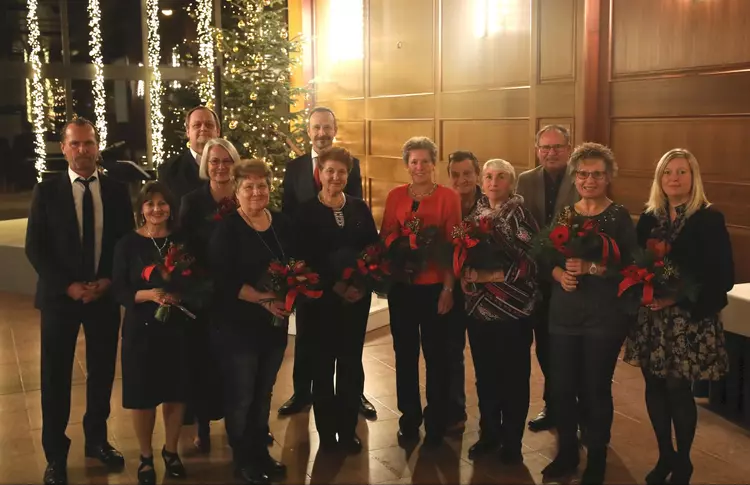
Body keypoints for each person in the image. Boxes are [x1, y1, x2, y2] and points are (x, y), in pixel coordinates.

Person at [25, 118, 134, 485]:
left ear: (97, 145)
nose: (83, 150)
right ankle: (55, 454)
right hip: (60, 298)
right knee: (54, 376)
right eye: (76, 144)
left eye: (89, 143)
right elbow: (35, 248)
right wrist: (69, 286)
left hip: (103, 296)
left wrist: (108, 281)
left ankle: (97, 441)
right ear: (64, 148)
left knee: (102, 373)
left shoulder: (117, 191)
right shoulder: (47, 191)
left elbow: (124, 246)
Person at [624, 148, 733, 485]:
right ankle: (664, 456)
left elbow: (722, 276)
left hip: (688, 320)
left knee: (677, 389)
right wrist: (646, 288)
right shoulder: (648, 217)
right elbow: (636, 263)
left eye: (682, 172)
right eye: (668, 172)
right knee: (653, 386)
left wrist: (676, 297)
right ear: (660, 179)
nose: (674, 178)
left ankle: (683, 462)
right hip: (652, 319)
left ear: (693, 177)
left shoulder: (708, 218)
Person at [541, 143, 636, 485]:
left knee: (595, 388)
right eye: (582, 174)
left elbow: (630, 268)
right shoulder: (566, 213)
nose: (589, 180)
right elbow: (546, 256)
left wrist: (591, 268)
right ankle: (567, 453)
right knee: (563, 388)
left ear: (608, 177)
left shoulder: (619, 216)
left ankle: (596, 455)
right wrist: (559, 275)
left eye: (596, 174)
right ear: (575, 177)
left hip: (603, 317)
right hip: (564, 314)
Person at [279, 106, 377, 419]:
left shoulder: (353, 166)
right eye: (316, 128)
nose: (321, 133)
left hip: (348, 277)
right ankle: (301, 392)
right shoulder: (293, 168)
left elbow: (358, 225)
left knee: (349, 348)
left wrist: (356, 278)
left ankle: (354, 396)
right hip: (312, 278)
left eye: (327, 127)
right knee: (308, 340)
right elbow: (288, 218)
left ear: (333, 130)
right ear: (308, 131)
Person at [209, 159, 293, 485]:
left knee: (264, 393)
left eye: (262, 185)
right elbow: (223, 281)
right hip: (239, 326)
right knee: (242, 396)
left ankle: (260, 452)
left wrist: (290, 295)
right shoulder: (227, 228)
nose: (256, 192)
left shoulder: (282, 223)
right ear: (236, 190)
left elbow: (296, 265)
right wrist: (265, 300)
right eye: (248, 186)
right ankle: (243, 459)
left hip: (274, 326)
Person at [296, 147, 380, 453]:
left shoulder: (359, 207)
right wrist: (335, 287)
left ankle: (347, 430)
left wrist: (360, 284)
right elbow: (304, 259)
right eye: (330, 171)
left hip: (355, 302)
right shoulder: (305, 212)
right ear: (320, 173)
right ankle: (327, 433)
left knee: (349, 364)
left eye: (341, 172)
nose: (335, 177)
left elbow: (372, 250)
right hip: (321, 302)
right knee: (322, 367)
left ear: (348, 175)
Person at [381, 136, 461, 447]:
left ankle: (437, 419)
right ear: (406, 165)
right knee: (405, 355)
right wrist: (399, 248)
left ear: (433, 164)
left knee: (437, 356)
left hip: (434, 290)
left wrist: (448, 288)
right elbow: (387, 234)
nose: (419, 167)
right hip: (403, 289)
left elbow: (455, 246)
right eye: (413, 161)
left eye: (425, 161)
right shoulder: (395, 196)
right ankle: (409, 418)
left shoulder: (448, 197)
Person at [112, 182, 190, 485]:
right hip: (140, 330)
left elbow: (199, 280)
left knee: (175, 392)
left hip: (177, 328)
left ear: (171, 207)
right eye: (150, 204)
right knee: (142, 395)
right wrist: (147, 295)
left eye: (162, 203)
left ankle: (171, 451)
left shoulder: (183, 241)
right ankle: (146, 456)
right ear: (141, 209)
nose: (157, 209)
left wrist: (180, 295)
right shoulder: (127, 244)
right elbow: (118, 288)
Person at [461, 159, 539, 464]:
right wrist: (466, 276)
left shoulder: (520, 215)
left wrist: (489, 277)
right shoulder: (474, 214)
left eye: (501, 177)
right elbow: (462, 252)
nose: (494, 182)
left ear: (511, 183)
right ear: (482, 179)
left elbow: (533, 262)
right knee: (486, 376)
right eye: (489, 176)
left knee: (514, 378)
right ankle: (489, 433)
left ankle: (512, 442)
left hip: (513, 311)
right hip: (479, 311)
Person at [178, 138, 242, 452]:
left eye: (226, 160)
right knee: (204, 363)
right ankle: (202, 428)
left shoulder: (246, 195)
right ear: (206, 164)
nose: (220, 167)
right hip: (204, 296)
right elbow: (184, 247)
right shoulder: (192, 200)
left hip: (240, 295)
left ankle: (241, 426)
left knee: (238, 364)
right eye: (214, 161)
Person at [516, 125, 578, 433]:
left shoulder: (582, 178)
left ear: (569, 147)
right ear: (537, 149)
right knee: (544, 346)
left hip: (572, 277)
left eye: (557, 146)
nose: (551, 152)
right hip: (537, 276)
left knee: (568, 348)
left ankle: (573, 406)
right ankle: (552, 405)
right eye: (545, 147)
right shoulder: (525, 181)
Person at [445, 150, 484, 426]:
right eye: (455, 175)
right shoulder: (444, 204)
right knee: (451, 353)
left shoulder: (492, 205)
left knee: (484, 358)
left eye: (467, 173)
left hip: (485, 295)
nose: (461, 180)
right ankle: (456, 412)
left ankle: (490, 420)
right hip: (452, 291)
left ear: (477, 174)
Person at [158, 105, 221, 211]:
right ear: (188, 132)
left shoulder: (232, 167)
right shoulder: (169, 170)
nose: (203, 128)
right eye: (197, 125)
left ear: (218, 131)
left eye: (209, 125)